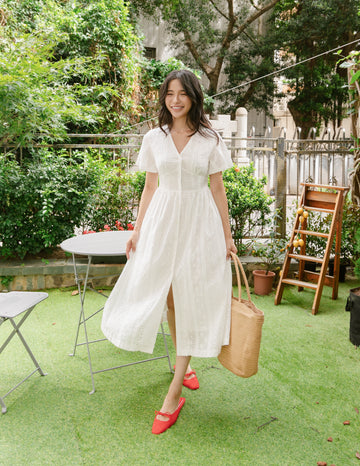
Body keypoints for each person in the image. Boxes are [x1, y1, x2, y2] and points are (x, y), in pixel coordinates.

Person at [101, 69, 237, 435]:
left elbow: (218, 188)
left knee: (192, 298)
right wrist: (137, 229)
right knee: (172, 300)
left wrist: (227, 236)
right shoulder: (153, 138)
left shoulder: (209, 138)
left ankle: (174, 392)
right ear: (164, 98)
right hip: (162, 222)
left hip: (200, 224)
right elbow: (149, 186)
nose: (175, 100)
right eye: (169, 93)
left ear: (194, 97)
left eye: (182, 93)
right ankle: (185, 366)